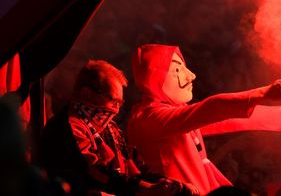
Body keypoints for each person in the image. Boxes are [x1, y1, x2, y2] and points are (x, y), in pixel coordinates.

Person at [127, 44, 281, 195]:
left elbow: (225, 118)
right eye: (178, 70)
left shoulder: (174, 113)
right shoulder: (147, 119)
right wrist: (263, 92)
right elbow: (212, 108)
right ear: (154, 77)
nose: (192, 75)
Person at [41, 60, 197, 196]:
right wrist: (144, 189)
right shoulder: (67, 127)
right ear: (87, 94)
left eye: (120, 103)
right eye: (113, 101)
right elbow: (94, 172)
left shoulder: (110, 128)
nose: (116, 109)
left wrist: (168, 183)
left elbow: (135, 166)